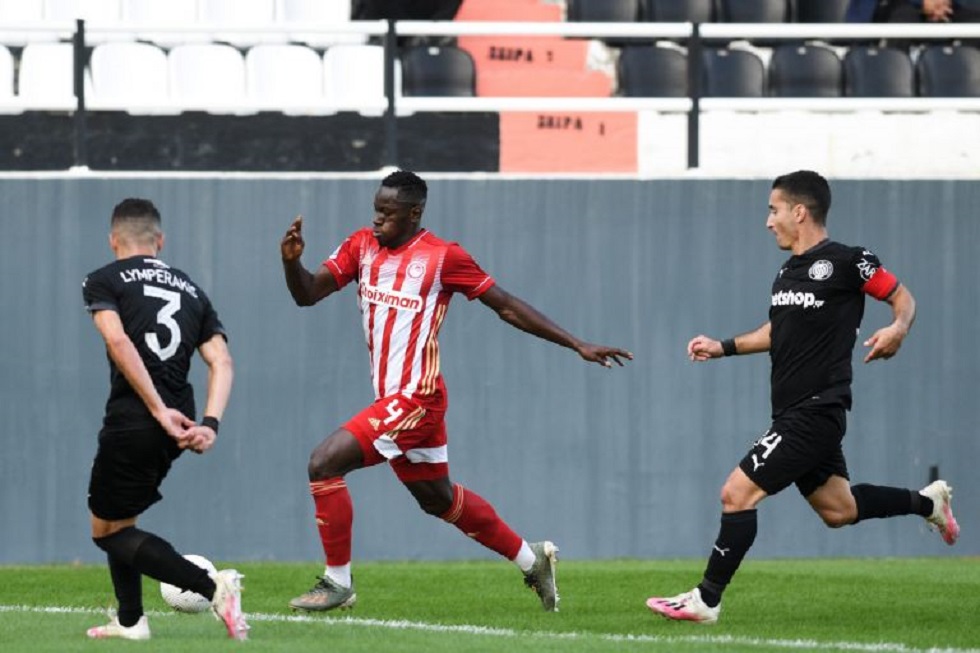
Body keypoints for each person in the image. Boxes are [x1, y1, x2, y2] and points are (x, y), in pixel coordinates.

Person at [280, 170, 632, 613]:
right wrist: (292, 263)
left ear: (414, 213)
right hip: (396, 400)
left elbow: (506, 306)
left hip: (416, 398)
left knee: (324, 462)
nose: (377, 220)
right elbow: (307, 294)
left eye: (387, 213)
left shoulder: (443, 257)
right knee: (438, 499)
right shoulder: (361, 247)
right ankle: (532, 559)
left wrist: (577, 343)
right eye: (375, 211)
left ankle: (338, 582)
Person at [646, 171, 959, 625]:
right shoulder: (786, 273)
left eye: (773, 210)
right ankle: (929, 503)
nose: (767, 221)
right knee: (839, 510)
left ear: (799, 212)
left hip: (816, 411)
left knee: (736, 493)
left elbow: (902, 298)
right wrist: (722, 346)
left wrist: (899, 328)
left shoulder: (850, 261)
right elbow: (778, 332)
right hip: (794, 412)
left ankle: (706, 599)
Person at [82, 198, 248, 641]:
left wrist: (156, 409)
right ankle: (131, 621)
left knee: (105, 532)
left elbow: (118, 340)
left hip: (137, 415)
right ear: (160, 240)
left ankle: (213, 587)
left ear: (113, 239)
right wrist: (210, 424)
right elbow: (222, 361)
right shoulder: (192, 290)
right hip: (184, 417)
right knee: (121, 520)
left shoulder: (103, 279)